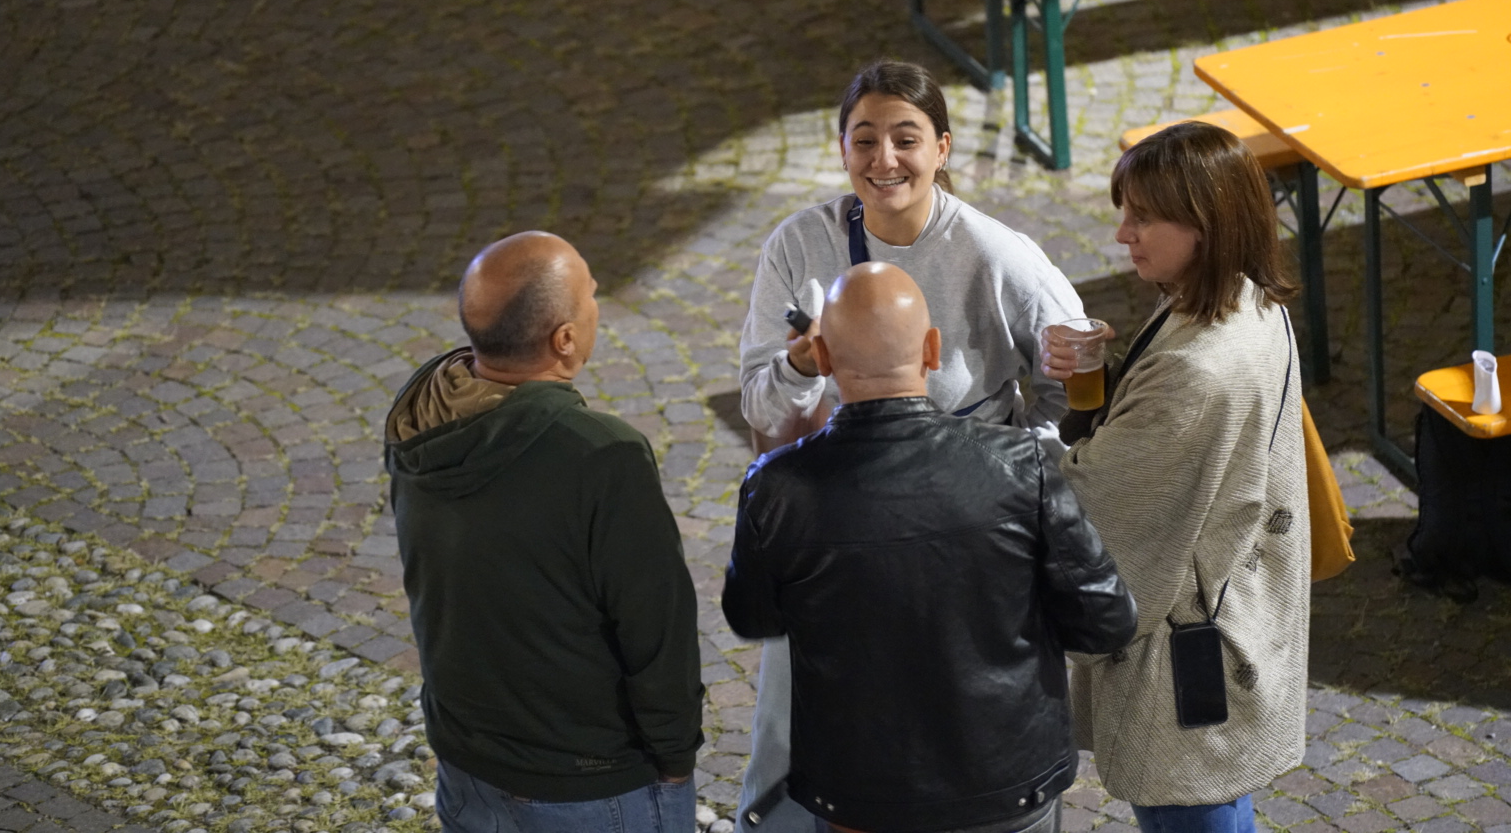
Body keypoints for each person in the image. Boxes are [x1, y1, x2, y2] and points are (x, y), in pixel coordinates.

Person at [736, 61, 1086, 832]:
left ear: (943, 148)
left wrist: (1016, 473)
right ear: (841, 149)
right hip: (842, 512)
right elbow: (759, 404)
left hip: (966, 520)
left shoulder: (998, 255)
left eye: (906, 138)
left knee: (970, 705)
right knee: (809, 717)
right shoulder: (798, 246)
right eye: (864, 139)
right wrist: (801, 365)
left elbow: (1072, 377)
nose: (884, 159)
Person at [724, 262, 1138, 833]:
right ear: (932, 350)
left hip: (859, 796)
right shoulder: (1021, 466)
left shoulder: (777, 486)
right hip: (1009, 786)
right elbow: (1107, 621)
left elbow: (752, 617)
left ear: (821, 358)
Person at [385, 231, 703, 833]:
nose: (597, 302)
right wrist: (675, 755)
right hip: (588, 782)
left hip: (466, 764)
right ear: (564, 339)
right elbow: (655, 627)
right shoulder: (602, 455)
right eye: (591, 294)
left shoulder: (420, 419)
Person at [1040, 122, 1310, 833]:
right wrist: (1115, 379)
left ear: (1206, 224)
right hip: (1238, 609)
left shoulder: (1197, 368)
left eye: (1144, 217)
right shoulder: (1250, 301)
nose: (1123, 234)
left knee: (1192, 808)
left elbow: (1097, 502)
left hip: (1187, 658)